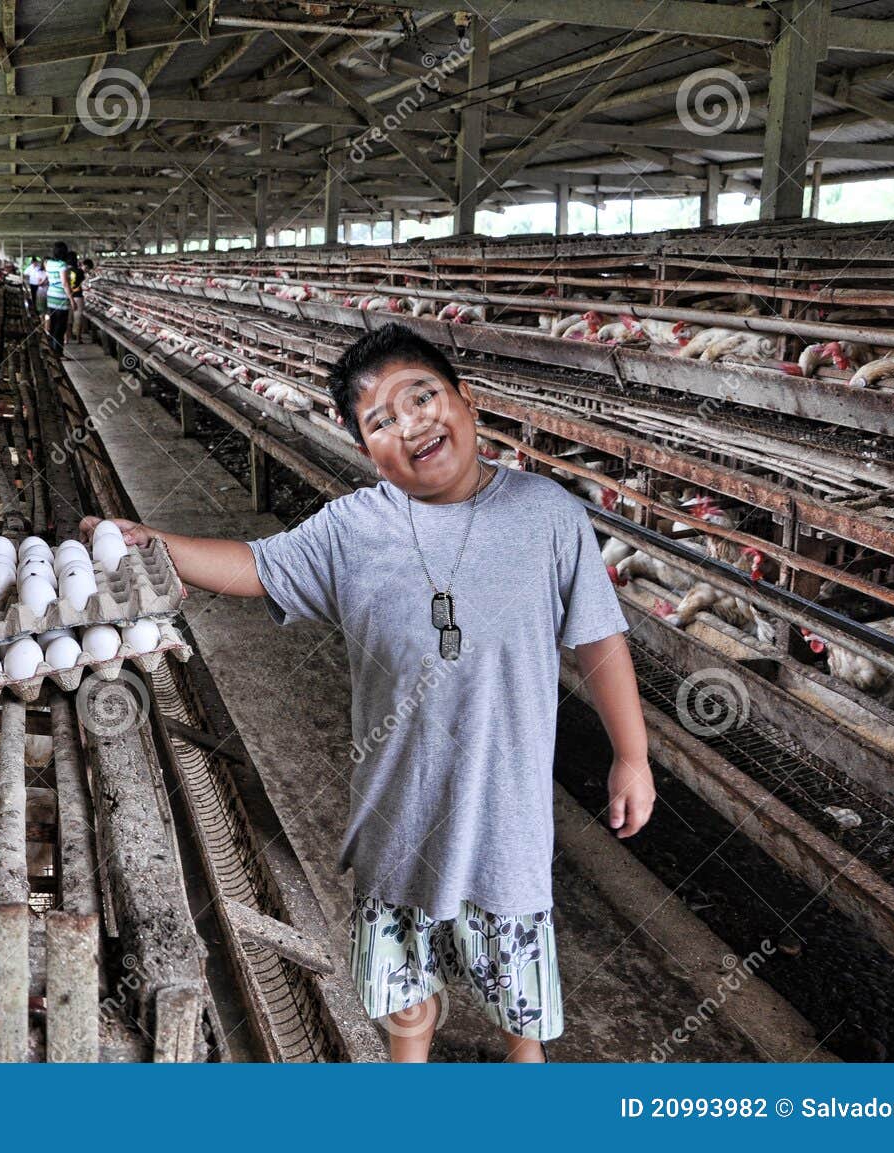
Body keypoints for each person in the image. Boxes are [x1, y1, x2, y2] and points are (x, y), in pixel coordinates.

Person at [79, 324, 652, 1063]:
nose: (410, 425)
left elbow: (600, 638)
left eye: (423, 397)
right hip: (399, 818)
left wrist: (631, 755)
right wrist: (152, 541)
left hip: (506, 821)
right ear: (366, 451)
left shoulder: (547, 514)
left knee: (521, 1007)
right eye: (380, 422)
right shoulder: (354, 528)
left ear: (466, 402)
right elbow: (254, 565)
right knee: (406, 1006)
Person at [42, 242, 71, 354]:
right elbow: (65, 283)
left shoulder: (48, 263)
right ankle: (58, 352)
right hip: (61, 298)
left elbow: (49, 278)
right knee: (61, 326)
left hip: (51, 296)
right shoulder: (62, 265)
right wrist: (71, 299)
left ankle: (52, 350)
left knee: (53, 324)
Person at [68, 256, 90, 344]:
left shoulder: (66, 271)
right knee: (78, 318)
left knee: (69, 318)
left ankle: (67, 338)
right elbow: (82, 282)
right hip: (78, 296)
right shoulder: (80, 272)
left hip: (68, 296)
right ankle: (78, 338)